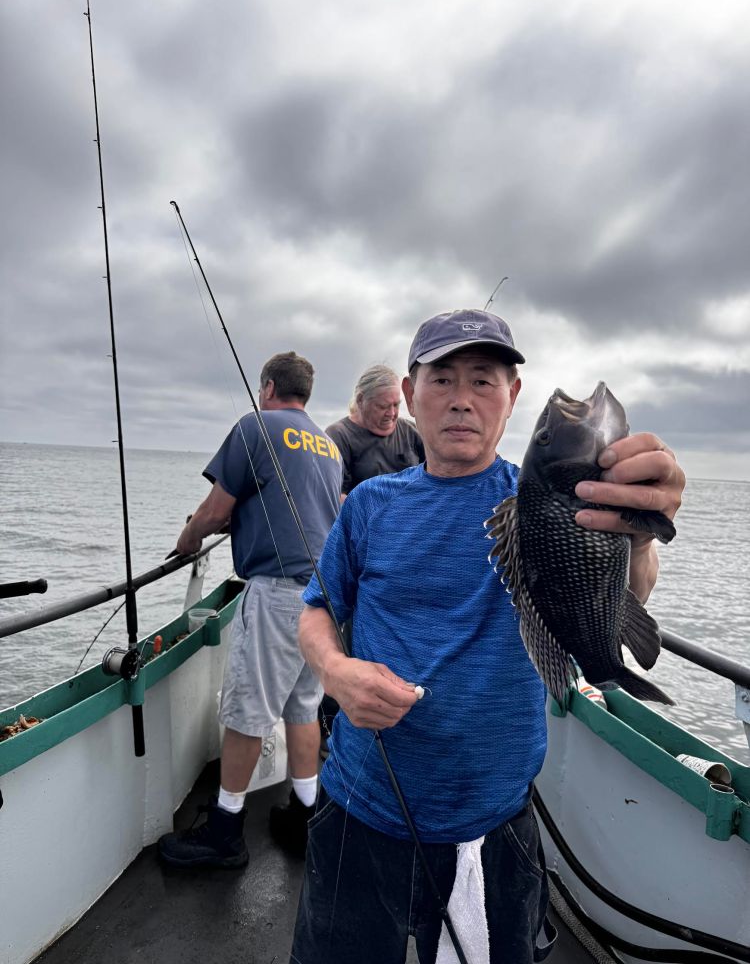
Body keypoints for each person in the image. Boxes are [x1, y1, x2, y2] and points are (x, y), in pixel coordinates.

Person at [291, 309, 686, 963]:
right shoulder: (368, 505)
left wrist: (639, 532)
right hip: (360, 808)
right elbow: (314, 614)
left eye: (483, 380)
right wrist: (337, 673)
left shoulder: (547, 499)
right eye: (442, 379)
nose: (462, 400)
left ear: (513, 398)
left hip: (495, 826)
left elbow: (629, 588)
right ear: (411, 395)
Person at [158, 351, 342, 868]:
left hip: (278, 591)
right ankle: (306, 815)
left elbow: (217, 510)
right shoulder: (327, 445)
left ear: (267, 387)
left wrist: (187, 539)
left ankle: (224, 832)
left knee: (247, 710)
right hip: (322, 593)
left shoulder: (254, 427)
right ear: (305, 392)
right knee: (304, 706)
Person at [326, 364, 424, 497]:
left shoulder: (411, 431)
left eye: (396, 405)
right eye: (383, 406)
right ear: (361, 400)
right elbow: (335, 496)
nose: (391, 413)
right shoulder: (338, 436)